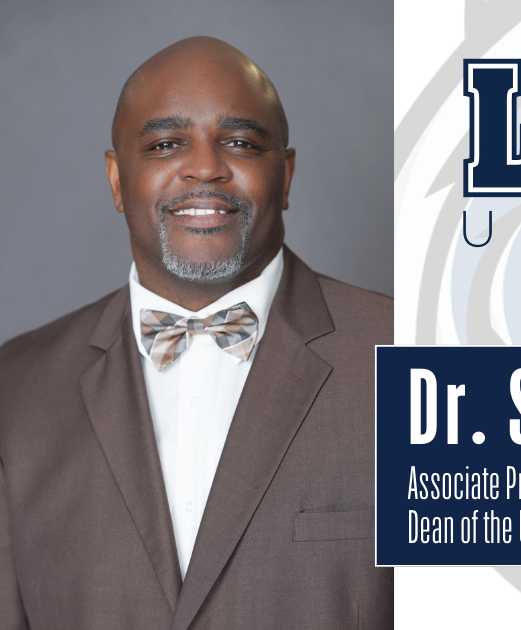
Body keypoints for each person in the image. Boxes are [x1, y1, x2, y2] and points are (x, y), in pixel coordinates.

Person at [0, 37, 392, 628]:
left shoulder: (423, 355)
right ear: (115, 179)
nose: (205, 167)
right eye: (165, 144)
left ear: (284, 176)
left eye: (239, 142)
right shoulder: (15, 387)